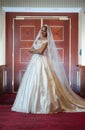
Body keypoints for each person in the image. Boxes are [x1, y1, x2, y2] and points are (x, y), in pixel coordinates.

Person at [11, 24, 85, 114]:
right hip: (34, 62)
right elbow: (32, 50)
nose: (42, 32)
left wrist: (34, 50)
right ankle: (29, 103)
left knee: (45, 80)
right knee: (32, 80)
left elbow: (40, 51)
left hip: (42, 61)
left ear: (47, 32)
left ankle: (45, 104)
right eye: (42, 30)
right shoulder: (38, 39)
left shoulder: (47, 41)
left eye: (44, 31)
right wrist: (35, 50)